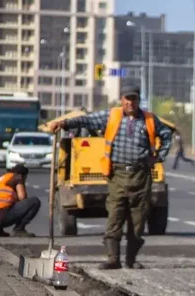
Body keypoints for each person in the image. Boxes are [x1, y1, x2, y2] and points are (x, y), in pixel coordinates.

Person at [49, 86, 173, 270]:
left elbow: (166, 135)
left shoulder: (149, 119)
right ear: (122, 100)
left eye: (134, 99)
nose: (130, 103)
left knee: (138, 220)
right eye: (127, 99)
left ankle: (131, 259)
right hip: (117, 175)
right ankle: (113, 258)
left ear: (139, 100)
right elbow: (87, 120)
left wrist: (158, 157)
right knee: (115, 216)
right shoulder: (112, 116)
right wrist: (64, 123)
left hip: (141, 176)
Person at [0, 164, 40, 237]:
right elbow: (22, 197)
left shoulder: (2, 178)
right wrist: (22, 184)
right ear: (23, 175)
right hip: (2, 217)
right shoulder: (18, 177)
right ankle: (19, 229)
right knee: (34, 202)